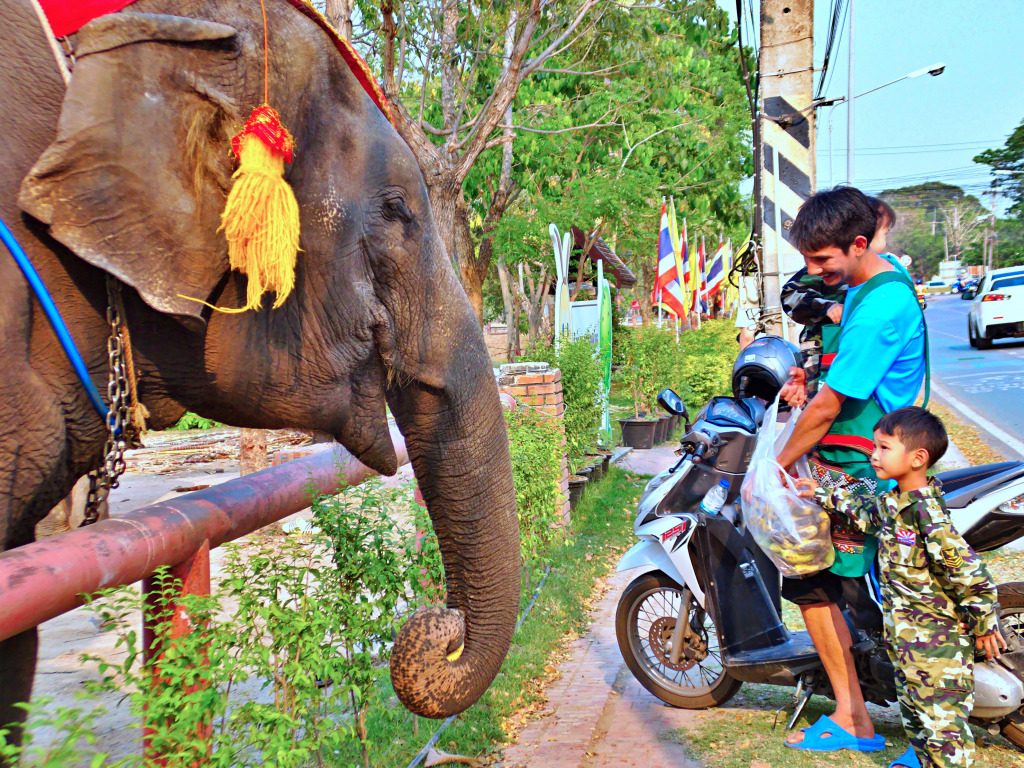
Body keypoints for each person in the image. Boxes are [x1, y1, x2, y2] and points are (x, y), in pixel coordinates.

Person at [776, 187, 927, 753]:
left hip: (863, 468)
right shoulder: (869, 284)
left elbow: (829, 406)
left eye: (823, 260)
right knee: (820, 584)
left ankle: (861, 720)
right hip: (849, 460)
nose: (816, 272)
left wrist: (774, 466)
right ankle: (855, 713)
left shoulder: (880, 306)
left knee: (832, 587)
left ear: (859, 243)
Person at [796, 407, 1005, 768]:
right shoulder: (894, 504)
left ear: (917, 458)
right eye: (874, 446)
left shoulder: (927, 515)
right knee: (916, 721)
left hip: (938, 649)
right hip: (908, 645)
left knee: (943, 733)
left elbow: (972, 575)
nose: (874, 456)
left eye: (884, 448)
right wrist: (822, 493)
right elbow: (864, 513)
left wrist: (984, 625)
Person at [780, 196, 896, 399]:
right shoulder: (826, 268)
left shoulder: (887, 278)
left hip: (856, 356)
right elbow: (791, 295)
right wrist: (826, 307)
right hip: (822, 349)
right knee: (821, 399)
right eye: (883, 233)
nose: (814, 268)